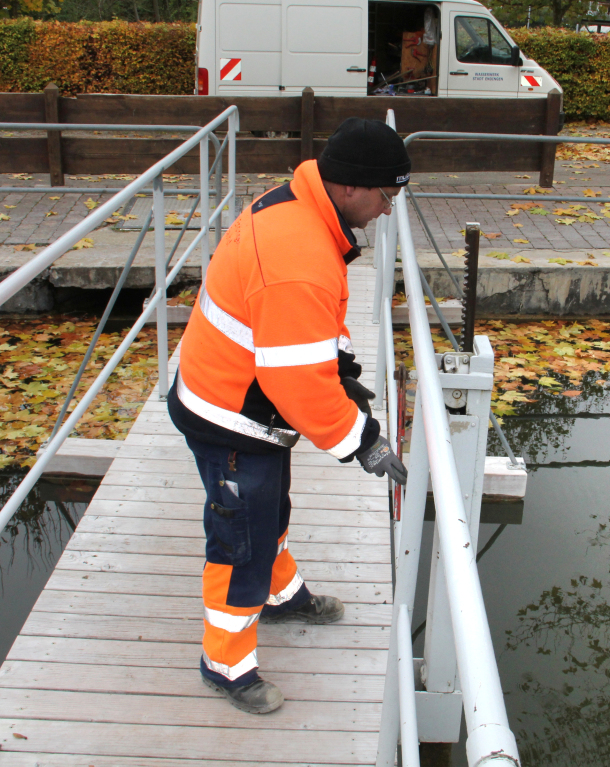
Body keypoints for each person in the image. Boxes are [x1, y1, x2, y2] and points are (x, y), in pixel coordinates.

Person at [167, 117, 410, 714]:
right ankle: (225, 665)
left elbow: (311, 321)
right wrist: (365, 441)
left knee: (268, 510)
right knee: (238, 543)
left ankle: (280, 595)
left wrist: (344, 366)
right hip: (230, 417)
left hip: (239, 400)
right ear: (352, 187)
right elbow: (296, 382)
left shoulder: (299, 208)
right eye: (386, 195)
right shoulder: (299, 252)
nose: (387, 211)